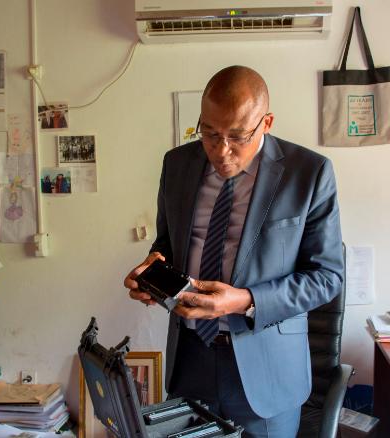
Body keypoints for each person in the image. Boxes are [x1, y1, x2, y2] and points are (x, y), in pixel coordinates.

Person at [123, 66, 343, 437]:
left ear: (266, 122)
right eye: (209, 133)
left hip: (267, 369)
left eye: (237, 136)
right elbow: (167, 244)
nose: (221, 151)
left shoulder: (309, 172)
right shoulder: (177, 164)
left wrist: (243, 300)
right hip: (191, 358)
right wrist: (152, 272)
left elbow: (327, 277)